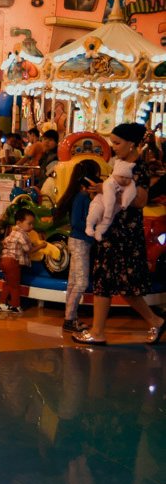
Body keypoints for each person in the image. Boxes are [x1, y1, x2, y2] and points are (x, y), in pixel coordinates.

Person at [73, 122, 165, 346]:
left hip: (125, 232)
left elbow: (140, 200)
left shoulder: (139, 168)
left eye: (117, 142)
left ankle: (102, 330)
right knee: (109, 281)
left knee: (119, 283)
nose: (113, 147)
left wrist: (107, 190)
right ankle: (103, 330)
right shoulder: (121, 164)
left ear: (131, 144)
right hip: (114, 229)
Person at [55, 159, 101, 333]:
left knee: (74, 282)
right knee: (81, 282)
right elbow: (76, 222)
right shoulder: (81, 197)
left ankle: (71, 317)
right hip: (80, 241)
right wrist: (93, 229)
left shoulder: (81, 195)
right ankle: (69, 319)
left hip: (78, 241)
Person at [0, 207, 43, 314]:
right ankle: (15, 306)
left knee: (8, 284)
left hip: (4, 260)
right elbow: (29, 250)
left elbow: (5, 242)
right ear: (19, 223)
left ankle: (2, 303)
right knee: (15, 286)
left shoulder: (13, 232)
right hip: (12, 262)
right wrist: (41, 246)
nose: (32, 226)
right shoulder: (22, 234)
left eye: (33, 224)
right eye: (29, 224)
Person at [85, 159, 136, 241]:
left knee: (107, 222)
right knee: (95, 213)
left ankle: (99, 232)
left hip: (114, 209)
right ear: (115, 175)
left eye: (127, 178)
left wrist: (125, 203)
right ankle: (89, 226)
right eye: (121, 177)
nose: (124, 179)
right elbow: (109, 196)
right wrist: (108, 210)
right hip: (101, 202)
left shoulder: (130, 184)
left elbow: (131, 193)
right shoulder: (110, 181)